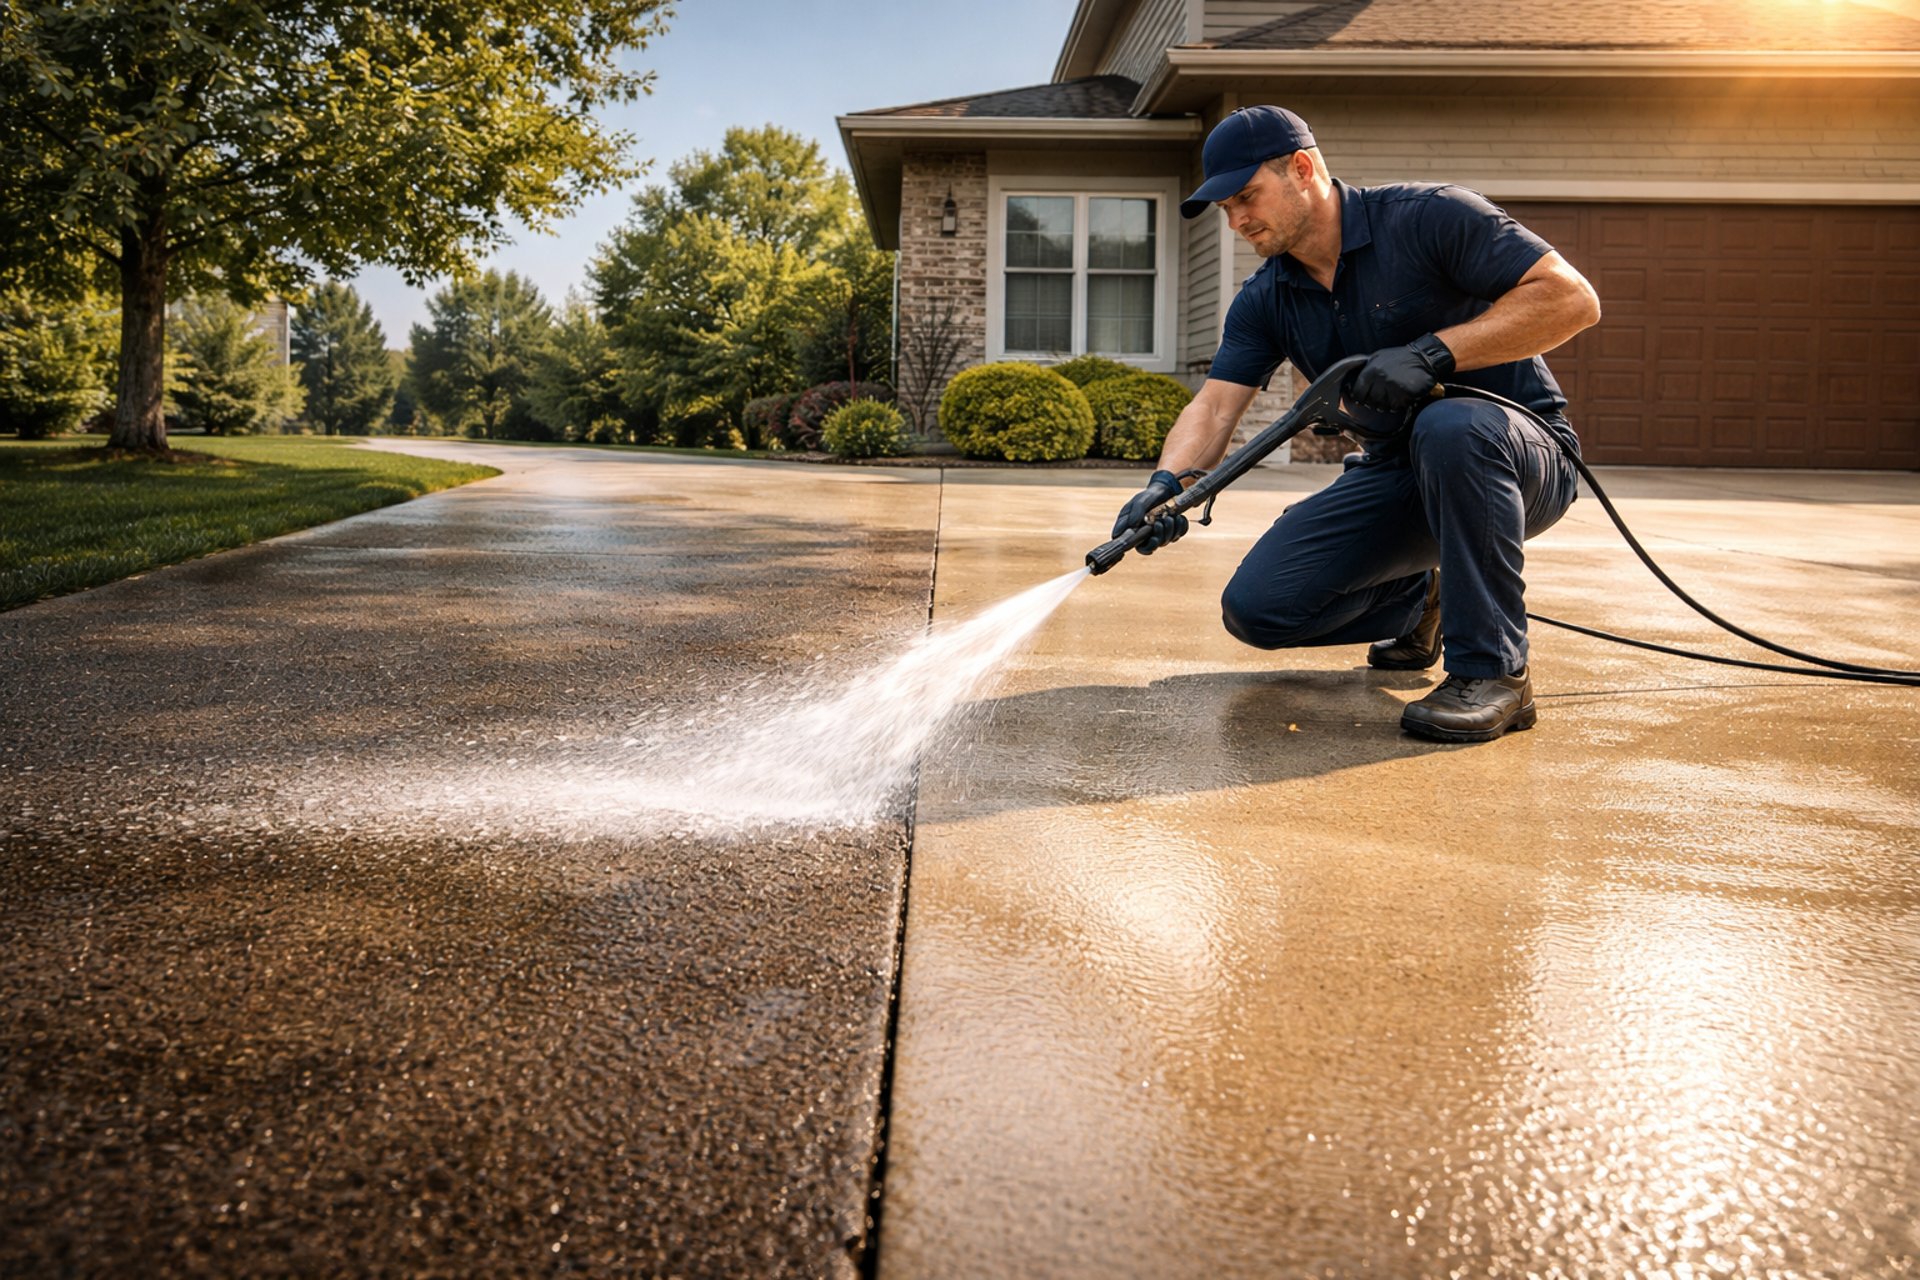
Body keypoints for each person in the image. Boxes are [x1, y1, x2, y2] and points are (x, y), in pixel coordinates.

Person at [1113, 105, 1601, 743]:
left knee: (1452, 426)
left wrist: (1435, 352)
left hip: (1518, 458)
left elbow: (1572, 299)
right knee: (1260, 610)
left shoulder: (1430, 217)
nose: (1236, 221)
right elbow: (1214, 406)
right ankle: (1420, 597)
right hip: (1400, 473)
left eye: (1246, 198)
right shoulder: (1268, 297)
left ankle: (1495, 674)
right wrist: (1165, 483)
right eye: (1224, 209)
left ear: (1301, 168)